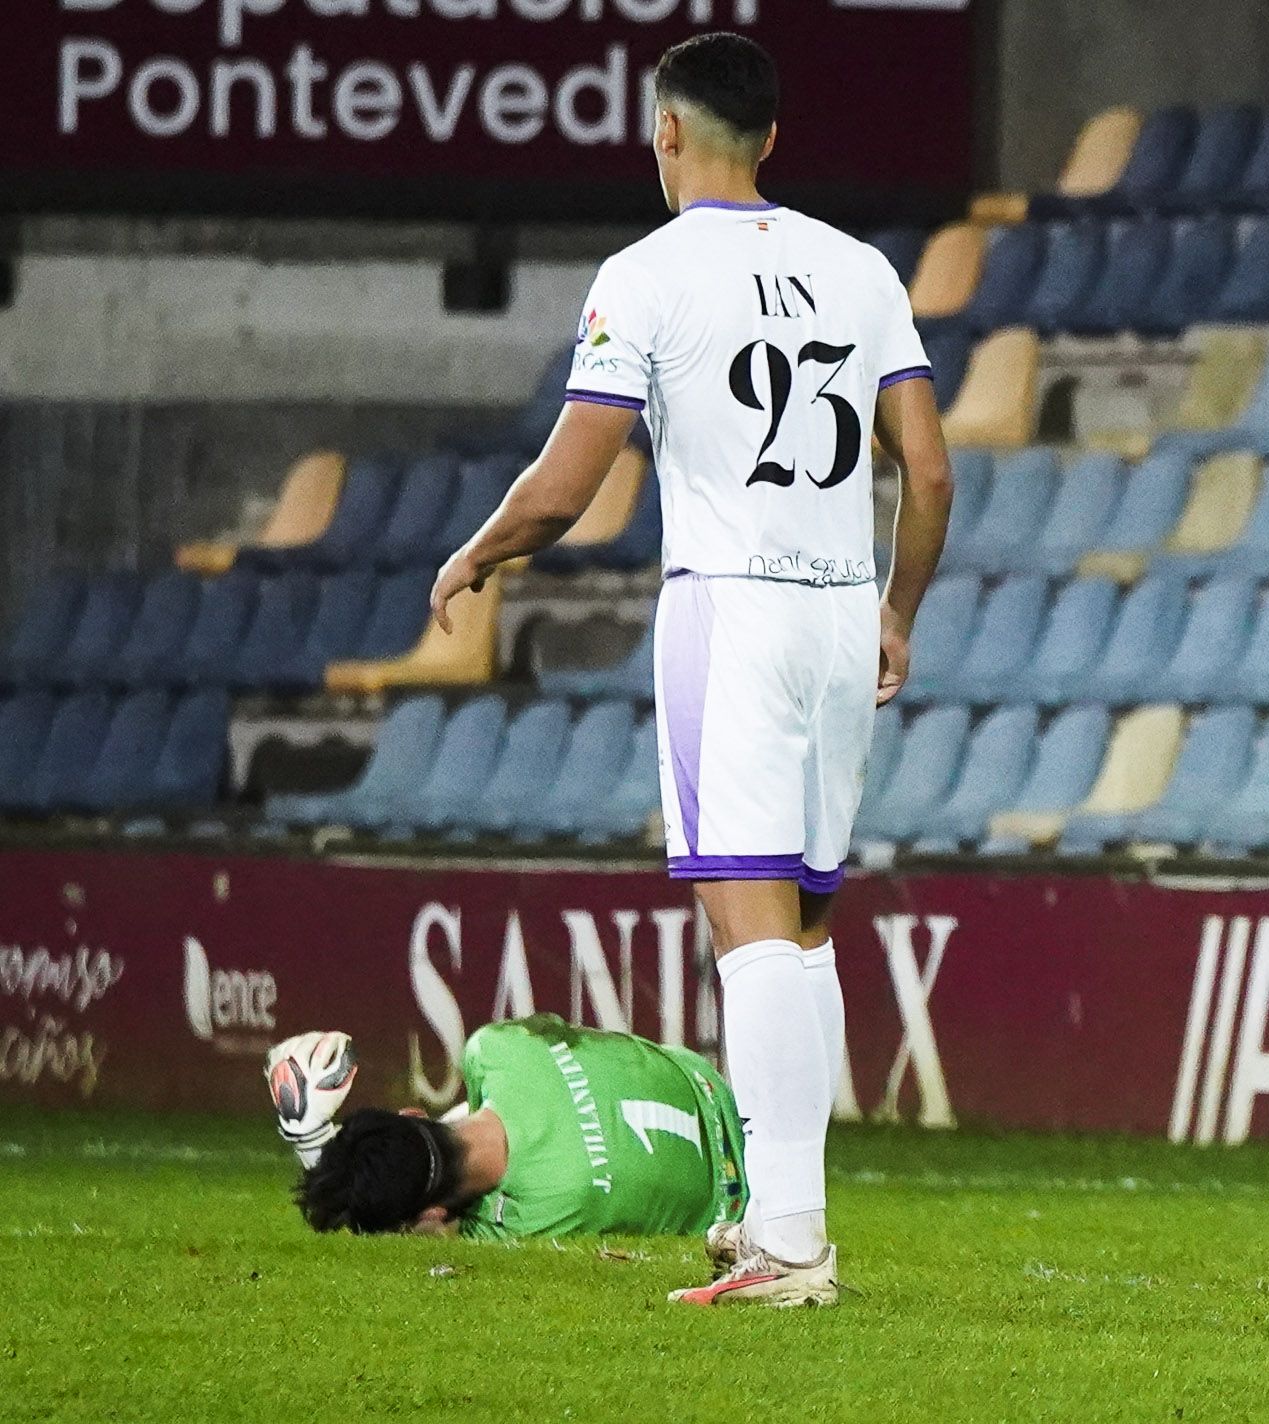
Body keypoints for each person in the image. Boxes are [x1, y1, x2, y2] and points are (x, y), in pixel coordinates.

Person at [428, 33, 953, 1306]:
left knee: (745, 919)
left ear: (665, 134)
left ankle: (790, 1248)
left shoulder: (644, 275)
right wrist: (897, 608)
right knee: (808, 929)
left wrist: (476, 554)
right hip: (839, 615)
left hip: (733, 609)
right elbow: (927, 471)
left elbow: (568, 481)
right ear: (769, 139)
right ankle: (783, 1217)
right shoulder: (861, 265)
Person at [274, 1020, 749, 1249]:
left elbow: (445, 1230)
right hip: (708, 1083)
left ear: (432, 1212)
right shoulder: (496, 1049)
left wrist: (310, 1145)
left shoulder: (522, 1226)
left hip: (732, 1201)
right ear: (412, 1111)